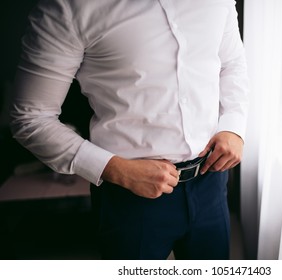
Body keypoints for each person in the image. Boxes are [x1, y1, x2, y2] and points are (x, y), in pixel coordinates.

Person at [10, 0, 249, 260]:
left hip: (211, 181)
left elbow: (231, 63)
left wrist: (233, 127)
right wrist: (116, 170)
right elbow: (30, 117)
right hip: (129, 196)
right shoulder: (69, 7)